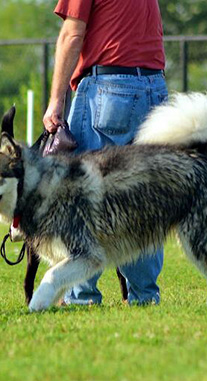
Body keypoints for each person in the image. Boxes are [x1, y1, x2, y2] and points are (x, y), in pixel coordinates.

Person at [43, 0, 168, 306]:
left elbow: (71, 34)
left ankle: (82, 297)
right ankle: (144, 296)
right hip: (155, 87)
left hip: (108, 87)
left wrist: (56, 102)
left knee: (83, 197)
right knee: (143, 199)